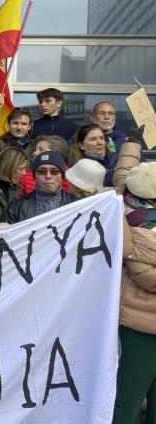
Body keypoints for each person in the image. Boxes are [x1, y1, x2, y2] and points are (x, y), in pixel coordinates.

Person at [112, 162, 156, 424]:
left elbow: (123, 168)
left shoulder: (127, 212)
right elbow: (147, 278)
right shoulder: (138, 227)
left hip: (143, 320)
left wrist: (129, 144)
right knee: (129, 394)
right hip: (142, 326)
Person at [2, 150, 76, 224]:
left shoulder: (77, 204)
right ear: (34, 176)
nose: (48, 176)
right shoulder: (15, 207)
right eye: (42, 172)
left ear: (62, 176)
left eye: (54, 172)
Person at [0, 93, 33, 161]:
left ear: (29, 126)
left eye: (24, 124)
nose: (19, 127)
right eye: (15, 123)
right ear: (8, 125)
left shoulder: (35, 147)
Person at [91, 101, 127, 167]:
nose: (107, 117)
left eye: (111, 113)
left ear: (115, 118)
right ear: (93, 118)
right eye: (102, 113)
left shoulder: (125, 139)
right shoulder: (82, 137)